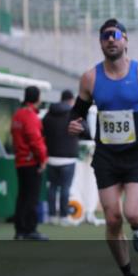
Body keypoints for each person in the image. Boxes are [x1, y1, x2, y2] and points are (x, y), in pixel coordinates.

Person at [67, 19, 138, 276]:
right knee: (112, 219)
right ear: (100, 43)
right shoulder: (90, 78)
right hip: (106, 157)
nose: (110, 40)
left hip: (137, 155)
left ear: (125, 40)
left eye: (115, 36)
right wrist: (74, 123)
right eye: (105, 37)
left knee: (134, 214)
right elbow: (76, 112)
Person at [11, 85, 48, 240]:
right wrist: (43, 159)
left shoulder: (17, 115)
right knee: (32, 197)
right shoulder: (31, 116)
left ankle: (20, 230)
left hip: (20, 161)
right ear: (37, 98)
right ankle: (30, 230)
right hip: (31, 162)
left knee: (22, 196)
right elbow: (36, 141)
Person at [42, 89, 83, 226]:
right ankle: (64, 216)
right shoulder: (74, 115)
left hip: (51, 157)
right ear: (71, 100)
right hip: (68, 158)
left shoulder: (48, 115)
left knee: (52, 187)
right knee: (65, 188)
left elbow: (42, 132)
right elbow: (85, 131)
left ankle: (52, 216)